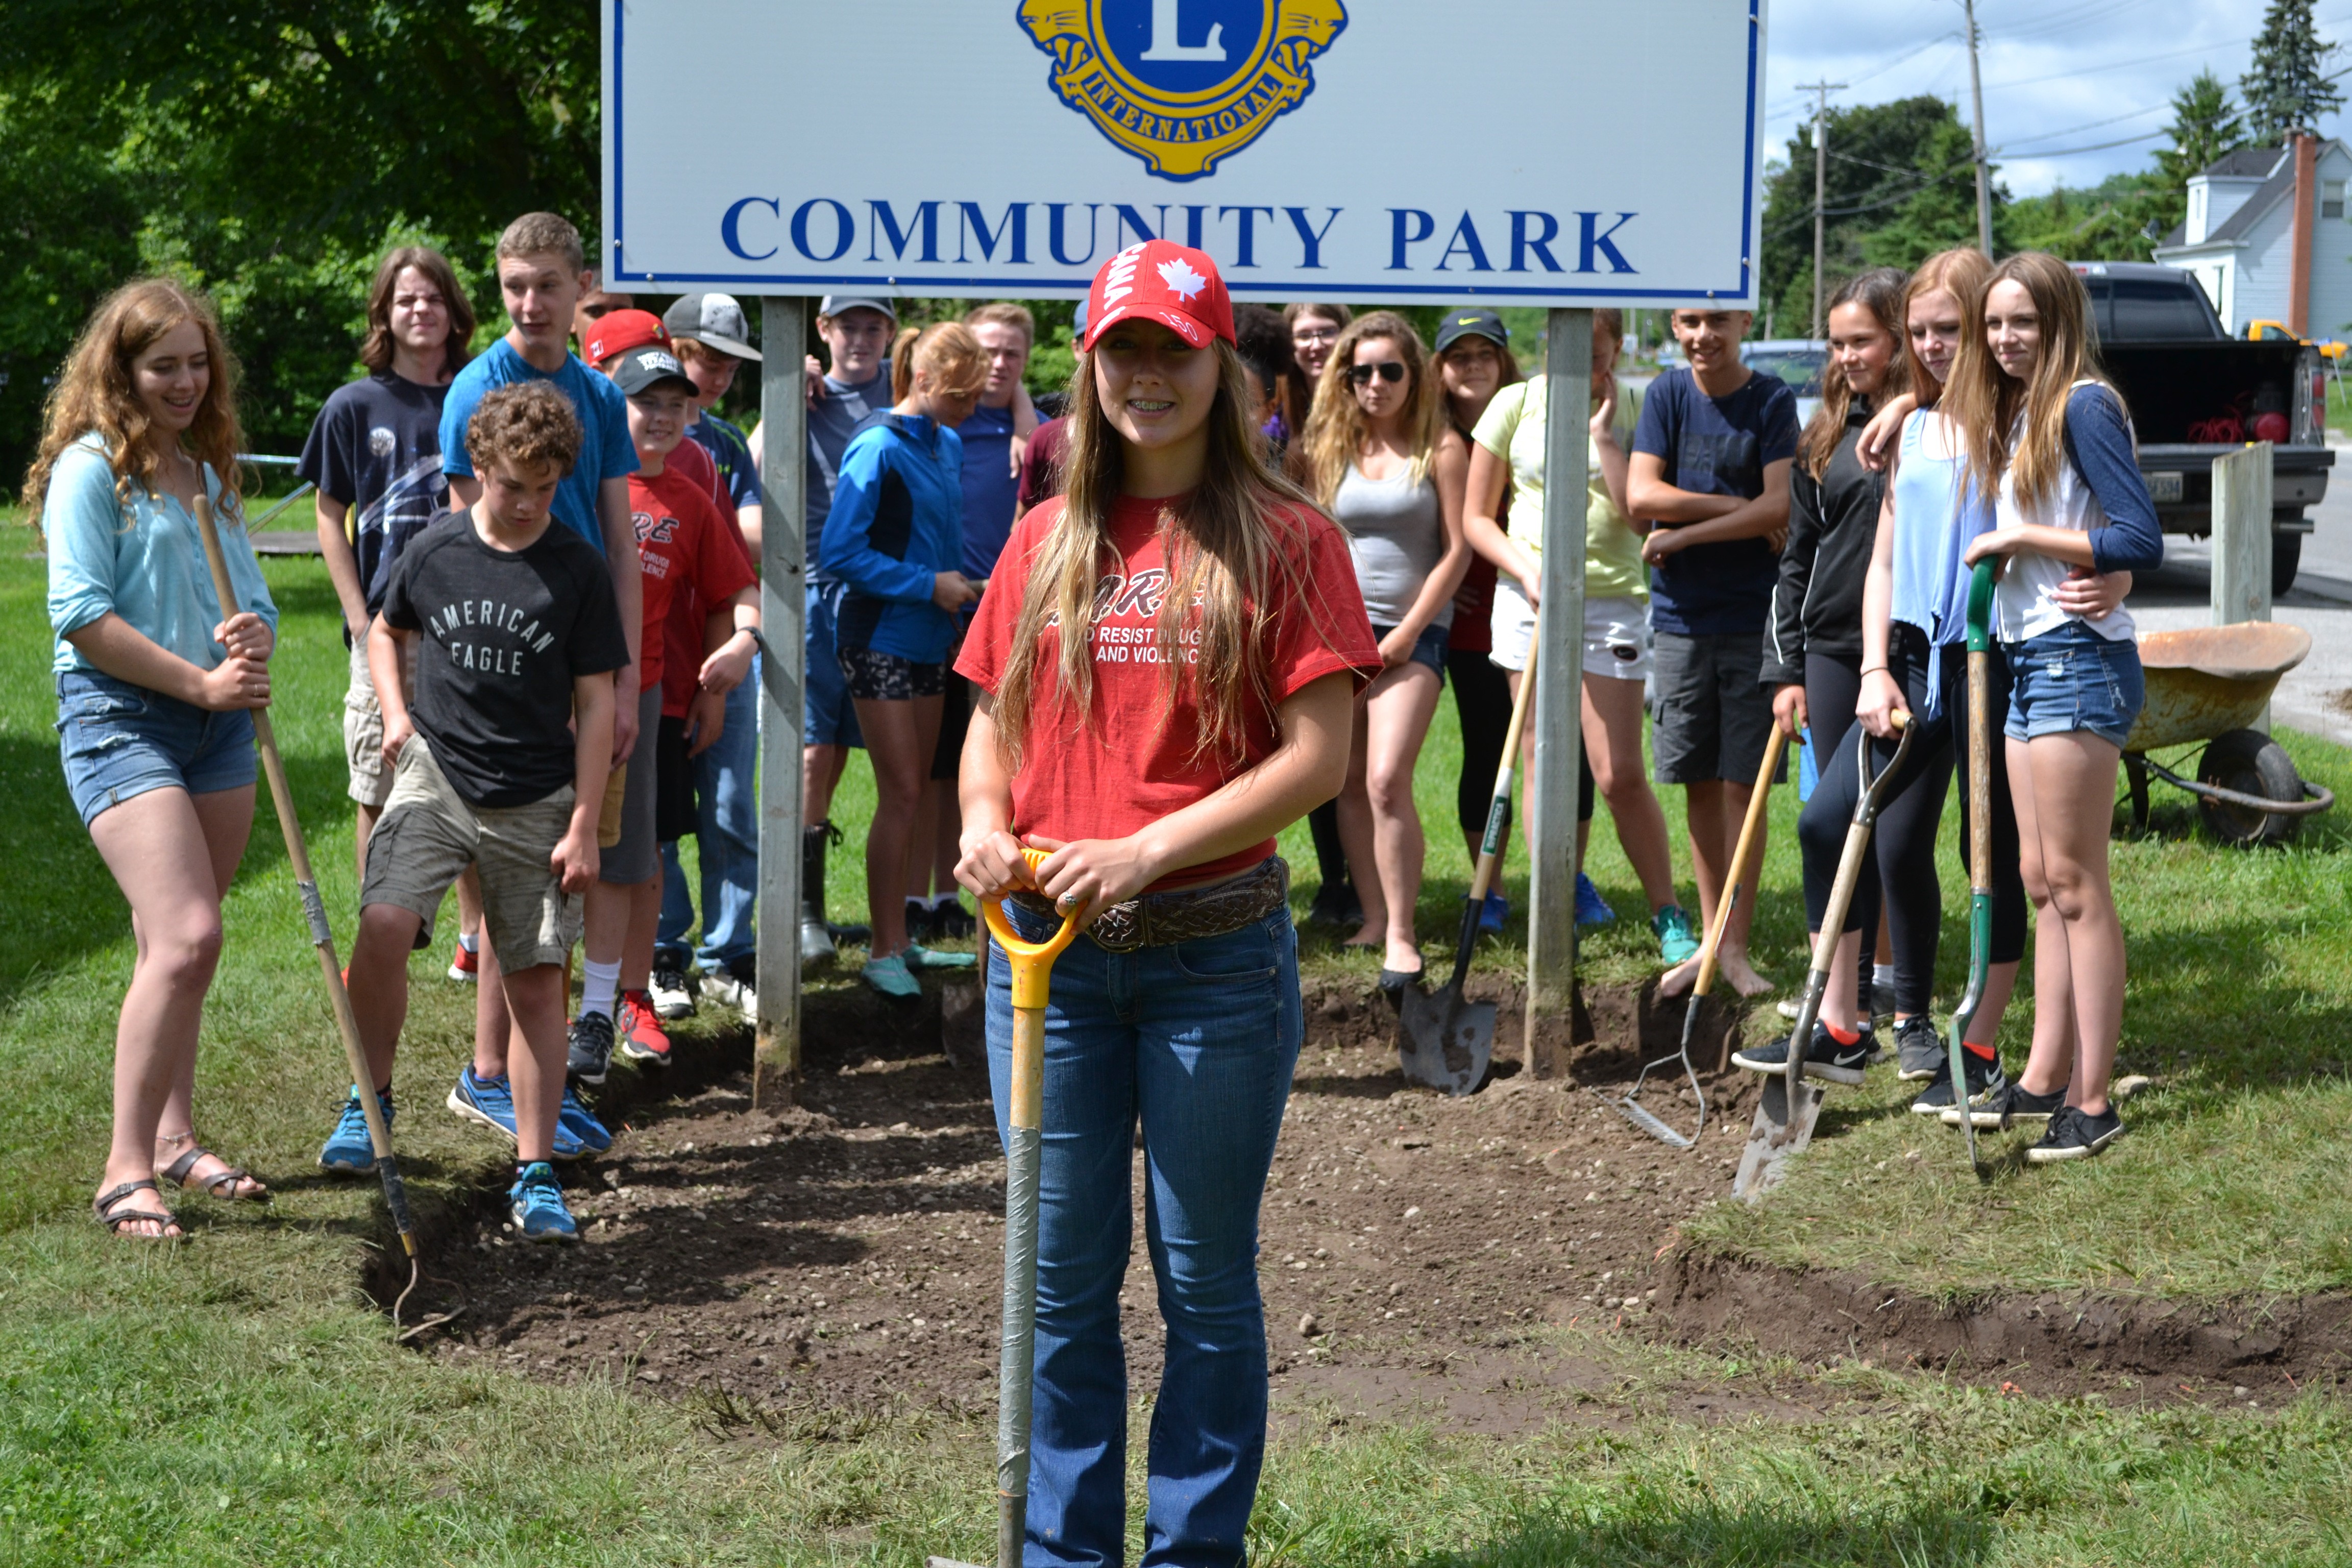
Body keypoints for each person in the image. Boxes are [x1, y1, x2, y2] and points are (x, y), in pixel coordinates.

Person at [955, 238, 1376, 1568]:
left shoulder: (1289, 540)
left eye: (1172, 351)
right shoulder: (1046, 537)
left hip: (1214, 966)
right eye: (1122, 350)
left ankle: (1196, 1555)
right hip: (1048, 971)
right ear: (1090, 371)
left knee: (1203, 1286)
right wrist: (979, 823)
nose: (1147, 375)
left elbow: (1322, 759)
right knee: (1059, 1289)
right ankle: (1065, 1556)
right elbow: (991, 728)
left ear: (1220, 366)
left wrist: (1146, 852)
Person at [316, 382, 627, 1240]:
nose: (526, 503)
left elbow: (597, 703)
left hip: (535, 795)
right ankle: (367, 1098)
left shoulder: (576, 568)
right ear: (478, 468)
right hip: (436, 775)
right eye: (510, 484)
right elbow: (386, 628)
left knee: (533, 980)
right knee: (382, 925)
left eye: (544, 487)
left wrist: (582, 822)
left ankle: (533, 1170)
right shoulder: (435, 549)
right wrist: (398, 713)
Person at [32, 279, 279, 1237]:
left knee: (176, 945)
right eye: (162, 364)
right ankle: (123, 1167)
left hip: (215, 727)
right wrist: (201, 682)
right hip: (122, 717)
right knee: (185, 936)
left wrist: (253, 639)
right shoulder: (94, 470)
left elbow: (247, 595)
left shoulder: (204, 474)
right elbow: (82, 617)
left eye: (196, 362)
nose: (184, 381)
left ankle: (175, 1137)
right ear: (123, 370)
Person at [434, 212, 643, 1145]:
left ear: (578, 286)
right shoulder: (475, 389)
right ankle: (491, 1077)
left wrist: (625, 678)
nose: (530, 302)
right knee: (520, 874)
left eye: (548, 285)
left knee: (568, 871)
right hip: (508, 669)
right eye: (515, 284)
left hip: (586, 661)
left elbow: (621, 536)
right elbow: (457, 557)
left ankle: (532, 1085)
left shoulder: (597, 395)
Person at [1954, 252, 2161, 1162]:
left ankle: (2092, 1098)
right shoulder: (2023, 405)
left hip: (2079, 661)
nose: (2004, 339)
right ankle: (2041, 1078)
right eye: (1994, 323)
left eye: (2021, 323)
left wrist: (2019, 535)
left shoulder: (2080, 403)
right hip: (2030, 656)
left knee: (2076, 885)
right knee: (2038, 882)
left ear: (2058, 321)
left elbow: (2135, 535)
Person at [1466, 309, 1690, 960]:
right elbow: (1478, 518)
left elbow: (1641, 516)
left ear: (1619, 347)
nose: (1584, 368)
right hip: (1530, 597)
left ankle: (1668, 912)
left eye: (1597, 355)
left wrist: (1604, 439)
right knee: (1537, 755)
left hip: (1612, 601)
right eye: (1569, 352)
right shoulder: (1515, 404)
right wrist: (1528, 570)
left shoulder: (1639, 405)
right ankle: (1552, 903)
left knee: (1618, 771)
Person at [566, 345, 760, 1082]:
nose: (660, 417)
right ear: (613, 409)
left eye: (675, 405)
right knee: (555, 857)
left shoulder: (689, 497)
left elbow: (733, 592)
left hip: (642, 698)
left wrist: (737, 652)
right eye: (645, 402)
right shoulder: (580, 485)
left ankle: (620, 1000)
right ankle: (554, 1012)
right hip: (559, 694)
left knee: (635, 859)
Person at [1751, 268, 1909, 1068]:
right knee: (1846, 826)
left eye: (1864, 341)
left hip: (1905, 654)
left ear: (1900, 339)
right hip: (1828, 654)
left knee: (1848, 824)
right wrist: (1784, 669)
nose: (1849, 356)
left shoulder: (1933, 427)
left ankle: (1887, 998)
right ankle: (1844, 1024)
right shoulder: (1823, 438)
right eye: (1839, 343)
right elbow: (1794, 563)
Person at [1630, 306, 1799, 998]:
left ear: (1746, 320)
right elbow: (1641, 494)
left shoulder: (1771, 398)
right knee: (1699, 780)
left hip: (1753, 619)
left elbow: (1781, 506)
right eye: (1690, 321)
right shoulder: (1667, 395)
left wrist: (1681, 532)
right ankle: (1708, 939)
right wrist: (1738, 512)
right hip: (1680, 621)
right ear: (1674, 325)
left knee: (1743, 786)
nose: (1704, 335)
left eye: (1718, 320)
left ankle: (1736, 948)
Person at [299, 246, 475, 898]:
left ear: (454, 311)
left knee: (474, 785)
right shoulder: (353, 406)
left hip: (470, 625)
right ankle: (380, 933)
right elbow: (329, 516)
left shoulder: (480, 394)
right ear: (384, 313)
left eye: (432, 297)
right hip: (387, 630)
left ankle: (475, 939)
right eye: (406, 299)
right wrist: (357, 616)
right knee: (378, 782)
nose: (420, 309)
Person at [1301, 311, 1470, 985]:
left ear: (1414, 375)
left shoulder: (1442, 447)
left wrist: (1405, 634)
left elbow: (1457, 550)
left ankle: (1402, 934)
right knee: (1345, 781)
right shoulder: (1328, 446)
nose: (1375, 383)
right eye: (1360, 371)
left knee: (1386, 779)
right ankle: (1372, 916)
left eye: (1389, 370)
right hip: (1339, 635)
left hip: (1415, 635)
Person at [819, 322, 987, 996]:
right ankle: (882, 951)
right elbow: (839, 553)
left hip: (932, 636)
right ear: (922, 378)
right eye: (960, 395)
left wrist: (961, 587)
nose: (969, 410)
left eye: (977, 398)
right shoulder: (877, 447)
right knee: (904, 793)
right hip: (879, 636)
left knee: (919, 792)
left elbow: (937, 539)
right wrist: (929, 585)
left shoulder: (946, 443)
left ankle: (902, 941)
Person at [653, 293, 765, 1017]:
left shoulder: (723, 447)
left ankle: (733, 952)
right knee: (658, 814)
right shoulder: (629, 443)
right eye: (705, 356)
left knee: (729, 804)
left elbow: (749, 541)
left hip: (722, 646)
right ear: (672, 347)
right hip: (657, 656)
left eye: (731, 362)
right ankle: (666, 949)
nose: (718, 373)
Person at [789, 293, 896, 985]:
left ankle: (905, 918)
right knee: (814, 749)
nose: (859, 338)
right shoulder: (804, 390)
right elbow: (764, 465)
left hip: (894, 593)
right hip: (818, 591)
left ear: (890, 332)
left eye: (872, 326)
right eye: (846, 326)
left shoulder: (906, 385)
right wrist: (784, 391)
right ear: (823, 330)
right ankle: (803, 911)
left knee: (899, 760)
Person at [1432, 308, 1520, 934]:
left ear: (1503, 361)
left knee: (1555, 752)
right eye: (1458, 356)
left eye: (1483, 354)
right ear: (1440, 368)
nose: (1472, 366)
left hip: (1539, 613)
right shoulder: (1430, 439)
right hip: (1470, 628)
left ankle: (1567, 876)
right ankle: (1486, 886)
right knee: (1487, 748)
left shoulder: (1530, 425)